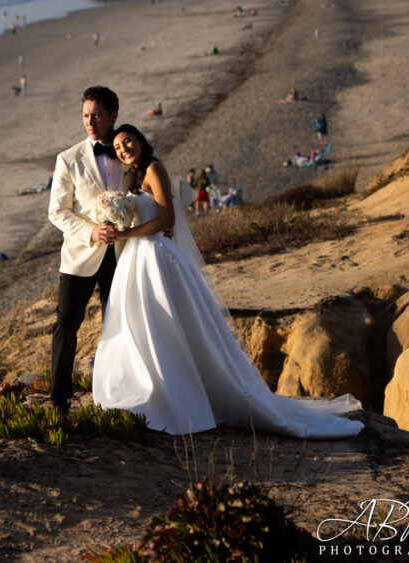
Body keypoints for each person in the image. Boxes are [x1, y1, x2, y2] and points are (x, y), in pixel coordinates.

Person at [92, 124, 363, 439]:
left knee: (166, 326)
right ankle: (147, 388)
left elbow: (167, 220)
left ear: (140, 140)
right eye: (119, 146)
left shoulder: (154, 168)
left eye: (128, 141)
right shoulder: (132, 175)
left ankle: (180, 395)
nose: (124, 149)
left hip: (156, 258)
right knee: (140, 323)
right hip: (136, 258)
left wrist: (124, 233)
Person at [46, 86, 133, 413]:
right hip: (80, 255)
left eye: (96, 114)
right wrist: (91, 231)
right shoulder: (68, 159)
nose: (90, 121)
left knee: (122, 323)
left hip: (123, 253)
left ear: (113, 115)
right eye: (85, 115)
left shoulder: (129, 154)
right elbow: (57, 211)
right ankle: (59, 400)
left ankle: (121, 395)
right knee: (66, 325)